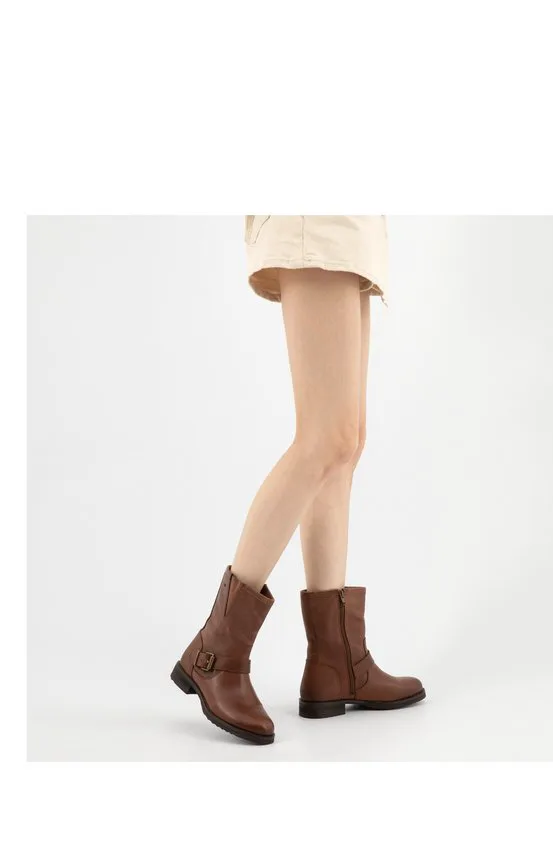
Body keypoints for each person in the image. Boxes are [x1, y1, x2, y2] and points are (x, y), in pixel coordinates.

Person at [170, 216, 425, 744]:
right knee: (323, 439)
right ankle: (216, 652)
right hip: (317, 216)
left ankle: (337, 662)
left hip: (349, 222)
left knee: (344, 444)